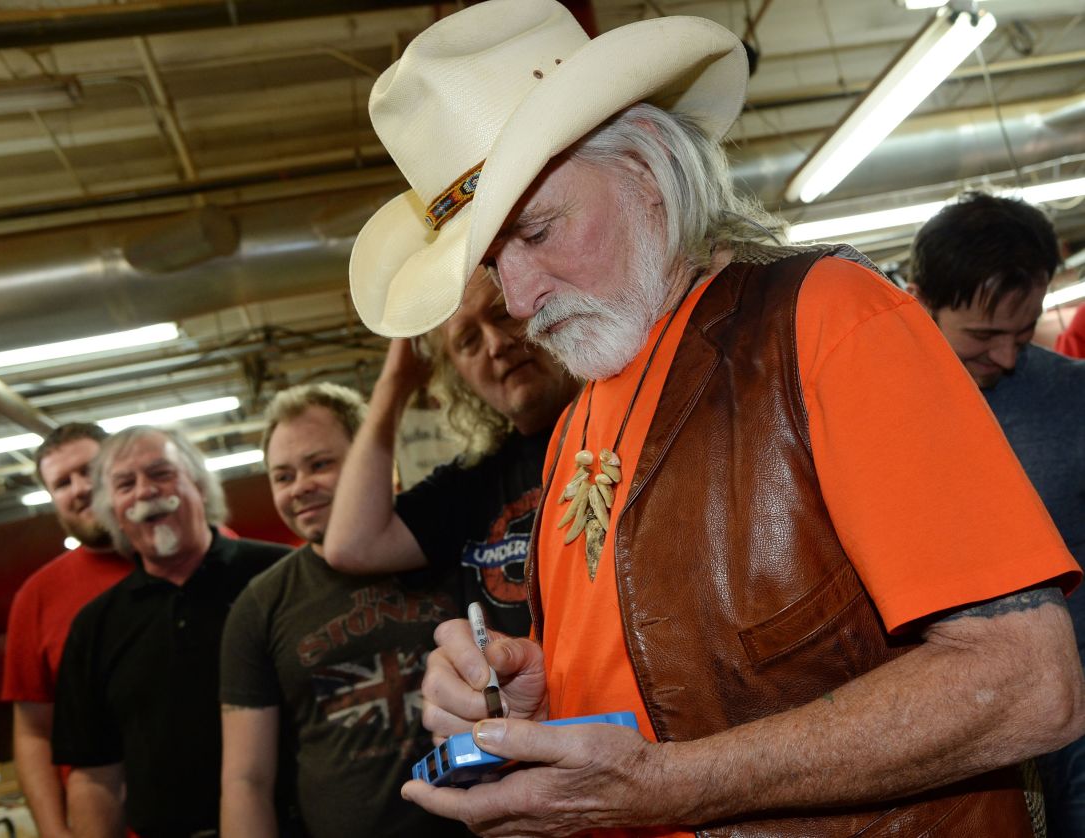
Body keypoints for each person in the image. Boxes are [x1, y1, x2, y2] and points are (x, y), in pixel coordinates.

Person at [342, 1, 1085, 835]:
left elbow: (1025, 683)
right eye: (491, 262)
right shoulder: (574, 429)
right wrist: (529, 699)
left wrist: (674, 784)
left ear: (649, 170)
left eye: (539, 230)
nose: (517, 299)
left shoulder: (828, 320)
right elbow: (664, 678)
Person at [908, 192, 1085, 836]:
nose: (1008, 358)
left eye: (1023, 329)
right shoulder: (879, 412)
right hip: (951, 729)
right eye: (983, 336)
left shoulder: (1074, 400)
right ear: (920, 298)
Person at [218, 382, 465, 837]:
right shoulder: (261, 604)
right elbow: (245, 780)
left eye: (320, 464)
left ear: (371, 462)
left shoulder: (450, 553)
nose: (300, 488)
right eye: (283, 476)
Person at [52, 425, 288, 838]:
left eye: (161, 473)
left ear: (198, 484)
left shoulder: (279, 578)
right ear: (113, 513)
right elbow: (93, 775)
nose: (145, 492)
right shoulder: (94, 628)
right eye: (125, 484)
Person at [324, 268, 578, 637]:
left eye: (503, 314)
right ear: (458, 376)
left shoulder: (626, 417)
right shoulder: (474, 482)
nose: (496, 344)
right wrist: (395, 382)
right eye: (468, 341)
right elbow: (352, 545)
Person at [1, 423, 131, 838]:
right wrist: (54, 831)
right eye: (62, 482)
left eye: (88, 470)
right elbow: (33, 731)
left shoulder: (192, 556)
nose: (79, 488)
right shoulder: (36, 597)